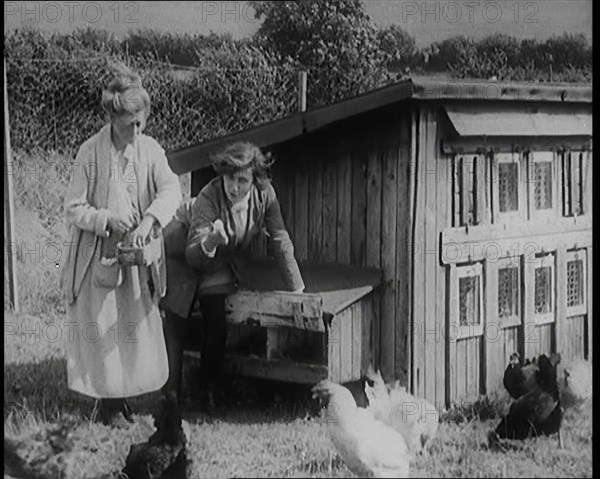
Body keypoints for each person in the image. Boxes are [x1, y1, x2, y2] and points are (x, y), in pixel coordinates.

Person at [60, 64, 181, 426]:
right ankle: (108, 404)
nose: (138, 130)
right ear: (112, 118)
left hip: (135, 257)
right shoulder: (90, 153)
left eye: (142, 122)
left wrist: (149, 220)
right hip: (98, 256)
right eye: (131, 124)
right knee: (102, 326)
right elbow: (73, 207)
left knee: (131, 329)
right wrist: (105, 220)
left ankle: (126, 396)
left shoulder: (148, 150)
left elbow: (171, 189)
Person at [160, 141, 305, 409]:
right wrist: (213, 241)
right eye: (229, 178)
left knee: (216, 324)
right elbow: (194, 253)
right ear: (221, 175)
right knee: (176, 319)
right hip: (182, 252)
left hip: (219, 260)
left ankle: (208, 393)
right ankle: (170, 397)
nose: (234, 187)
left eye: (242, 180)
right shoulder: (208, 195)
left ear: (255, 179)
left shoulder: (265, 195)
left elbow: (280, 238)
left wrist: (297, 289)